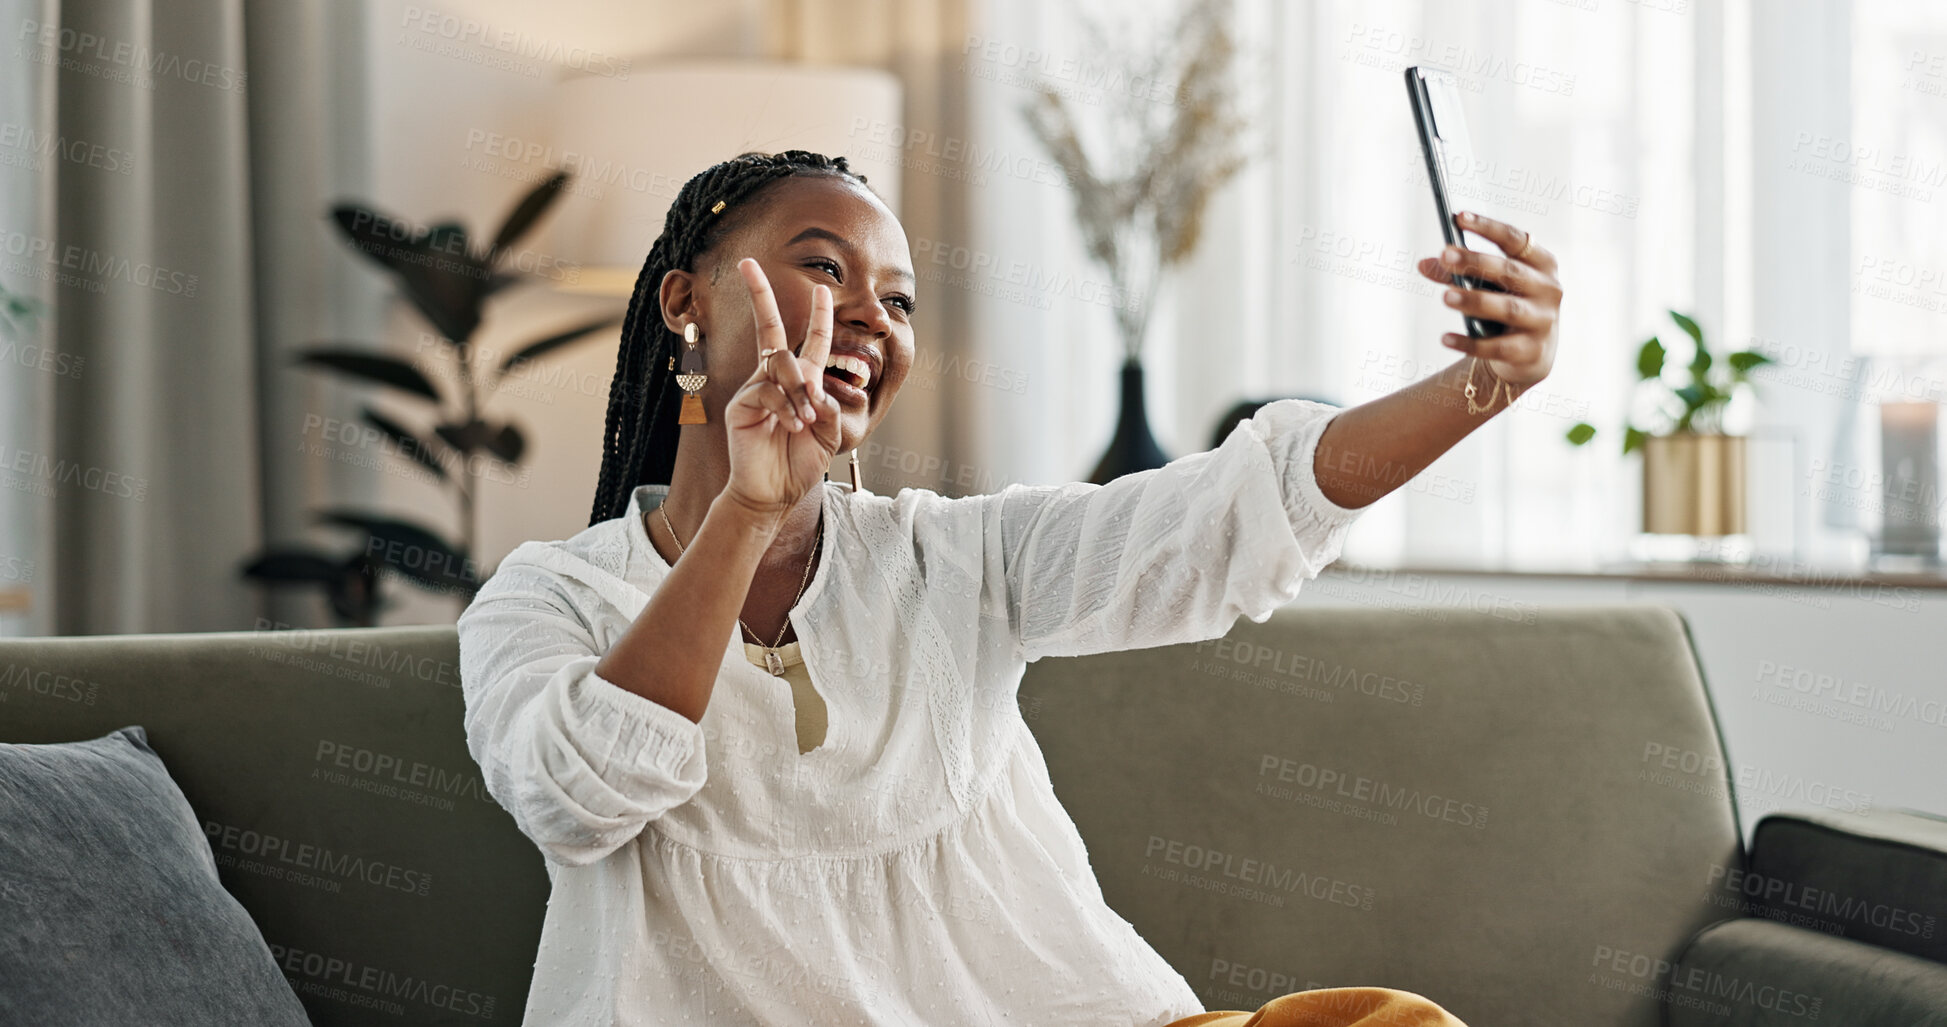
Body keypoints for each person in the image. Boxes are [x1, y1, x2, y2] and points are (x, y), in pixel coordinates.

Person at [456, 149, 1561, 1026]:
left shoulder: (955, 557)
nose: (871, 318)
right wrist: (745, 514)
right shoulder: (546, 598)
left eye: (898, 301)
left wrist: (1477, 388)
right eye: (825, 267)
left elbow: (1221, 522)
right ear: (684, 301)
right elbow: (577, 794)